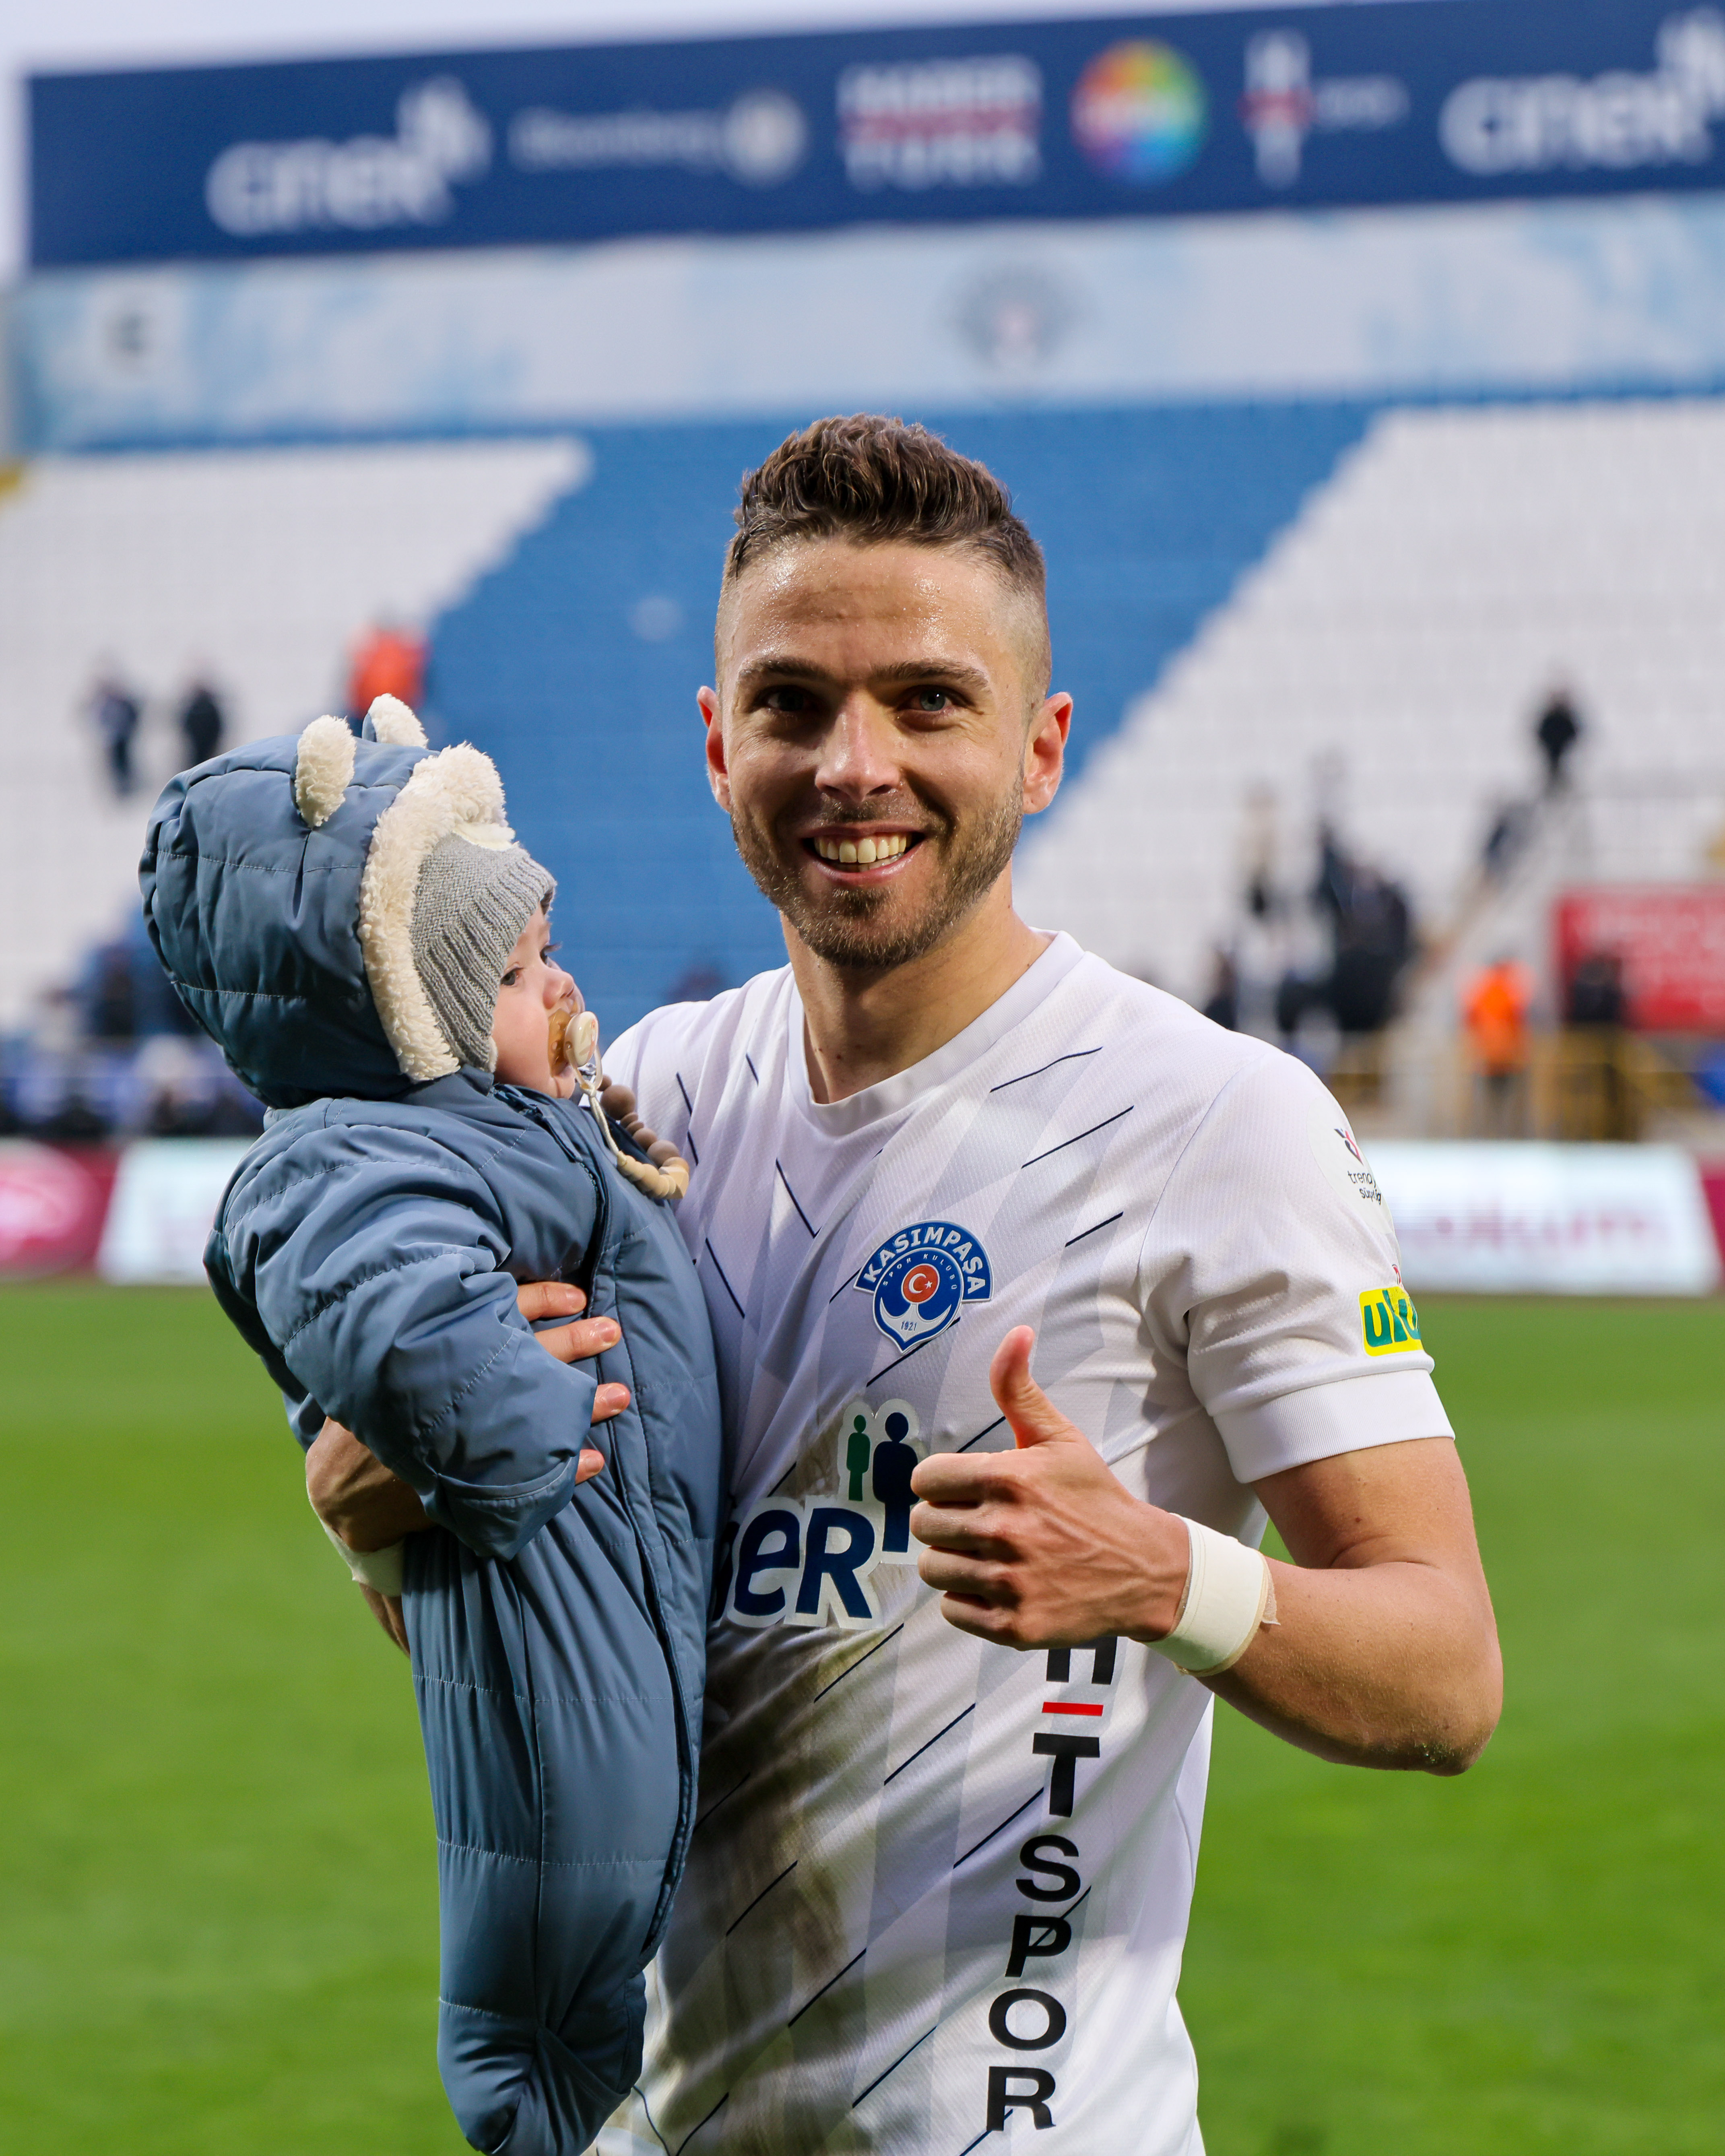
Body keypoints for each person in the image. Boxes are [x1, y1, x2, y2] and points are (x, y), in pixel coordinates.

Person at [324, 418, 1500, 2154]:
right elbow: (566, 1646)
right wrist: (400, 1526)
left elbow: (1444, 1671)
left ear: (1039, 749)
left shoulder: (1216, 1125)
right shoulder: (633, 1110)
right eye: (792, 704)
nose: (851, 764)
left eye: (927, 703)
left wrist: (1159, 1570)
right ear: (717, 744)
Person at [140, 696, 723, 2156]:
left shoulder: (523, 1121)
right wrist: (507, 1410)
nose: (561, 985)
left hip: (622, 1574)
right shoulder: (360, 1155)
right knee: (565, 1852)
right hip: (555, 1538)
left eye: (544, 951)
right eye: (516, 975)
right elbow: (394, 1321)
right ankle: (532, 2092)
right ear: (416, 1017)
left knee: (608, 1808)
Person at [1462, 956, 1533, 1136]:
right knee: (1506, 1103)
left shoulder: (1481, 992)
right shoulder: (1509, 992)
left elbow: (1471, 1021)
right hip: (1506, 1058)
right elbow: (1519, 1022)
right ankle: (1504, 1137)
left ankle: (1489, 1136)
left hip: (1487, 1057)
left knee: (1489, 1104)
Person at [91, 673, 142, 798]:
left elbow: (133, 716)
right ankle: (120, 786)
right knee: (115, 763)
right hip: (111, 739)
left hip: (124, 738)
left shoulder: (123, 703)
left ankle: (128, 783)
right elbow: (98, 720)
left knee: (125, 760)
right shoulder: (104, 705)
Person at [1535, 685, 1581, 791]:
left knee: (1562, 767)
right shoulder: (1551, 717)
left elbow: (1572, 732)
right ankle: (1553, 787)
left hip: (1563, 749)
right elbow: (1542, 732)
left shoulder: (1565, 717)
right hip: (1551, 748)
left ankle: (1560, 787)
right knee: (1552, 768)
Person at [180, 679, 225, 767]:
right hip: (201, 745)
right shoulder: (209, 708)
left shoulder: (196, 708)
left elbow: (186, 725)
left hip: (201, 746)